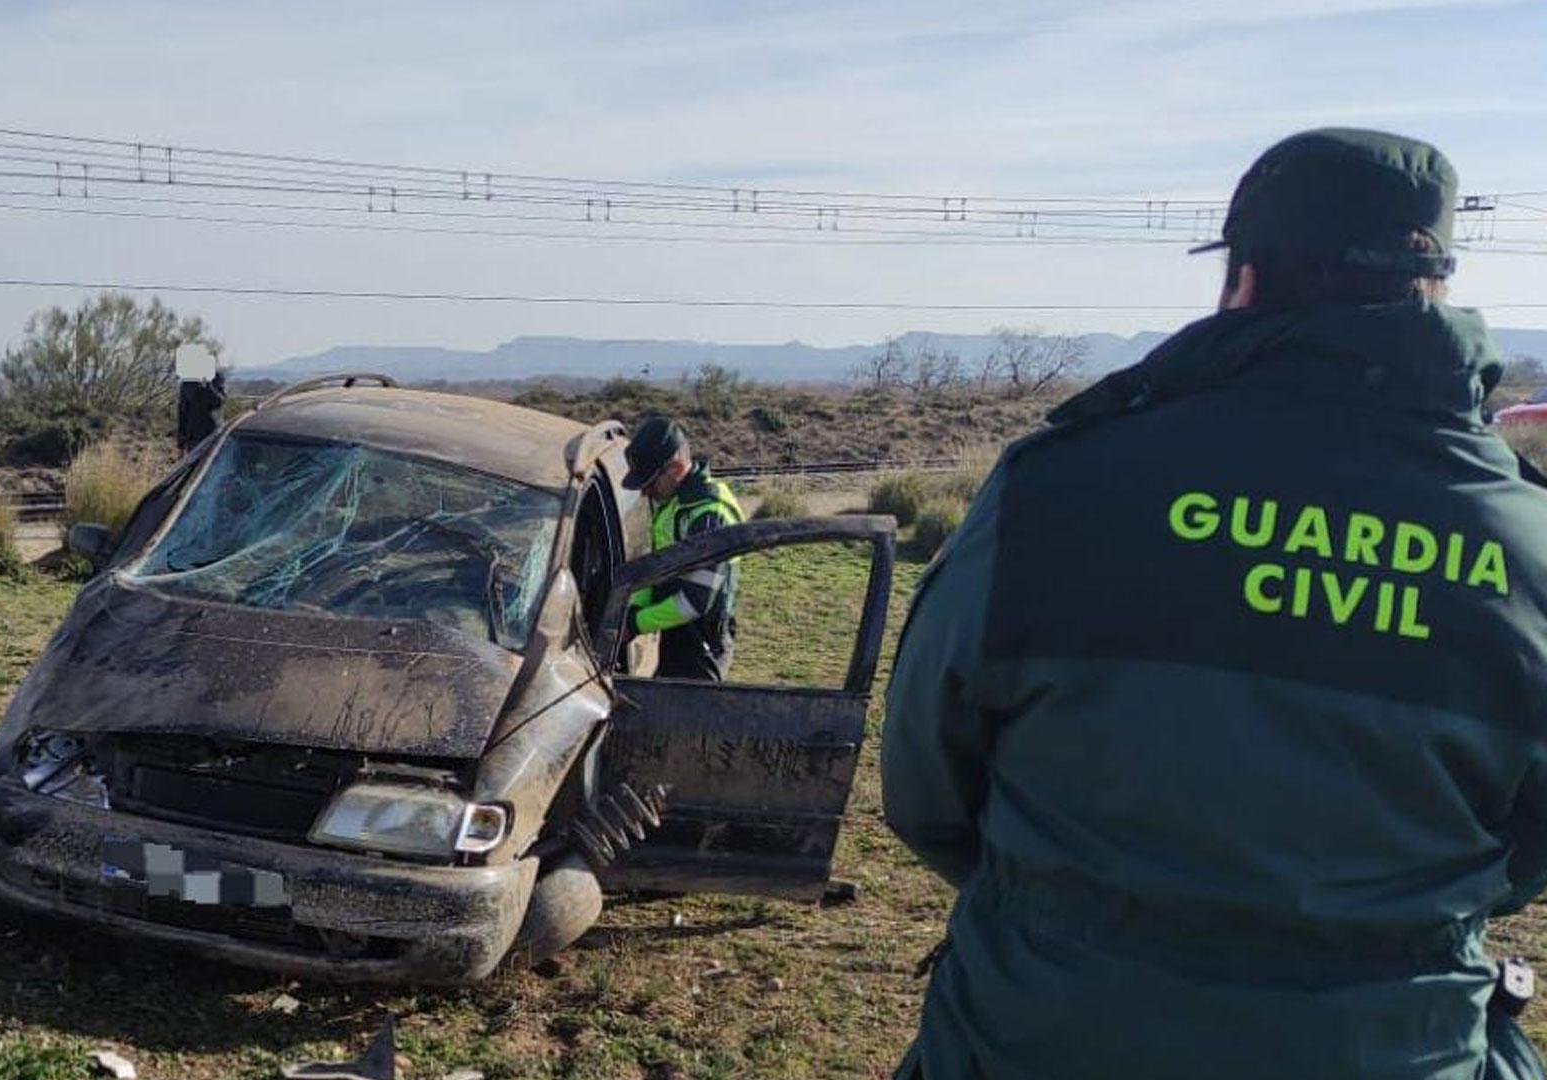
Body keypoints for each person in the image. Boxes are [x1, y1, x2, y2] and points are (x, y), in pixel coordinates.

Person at [882, 128, 1547, 1080]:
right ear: (1435, 283)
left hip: (1039, 1038)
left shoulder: (1056, 489)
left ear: (1243, 278)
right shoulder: (1528, 542)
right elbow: (1526, 855)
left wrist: (1087, 912)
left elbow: (925, 788)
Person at [621, 415, 744, 680]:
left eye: (650, 482)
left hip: (701, 647)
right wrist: (635, 605)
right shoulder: (677, 503)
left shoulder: (710, 516)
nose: (645, 493)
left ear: (675, 467)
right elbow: (656, 564)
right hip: (676, 633)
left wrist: (635, 623)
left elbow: (695, 601)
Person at [176, 369, 227, 455]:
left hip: (213, 434)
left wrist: (207, 385)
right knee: (194, 466)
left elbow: (219, 401)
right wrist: (181, 441)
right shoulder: (188, 382)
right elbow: (182, 412)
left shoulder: (216, 377)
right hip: (193, 437)